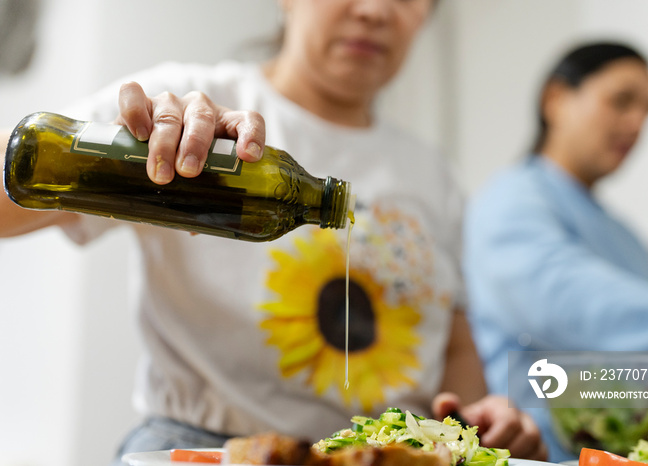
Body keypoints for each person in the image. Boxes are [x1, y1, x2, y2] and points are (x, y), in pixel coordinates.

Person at [1, 0, 546, 463]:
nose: (376, 11)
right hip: (204, 446)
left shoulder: (435, 175)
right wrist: (135, 155)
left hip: (382, 453)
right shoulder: (188, 99)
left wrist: (479, 423)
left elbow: (451, 342)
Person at [465, 41, 648, 462]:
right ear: (556, 99)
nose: (637, 123)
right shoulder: (510, 201)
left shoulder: (629, 239)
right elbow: (577, 308)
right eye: (622, 101)